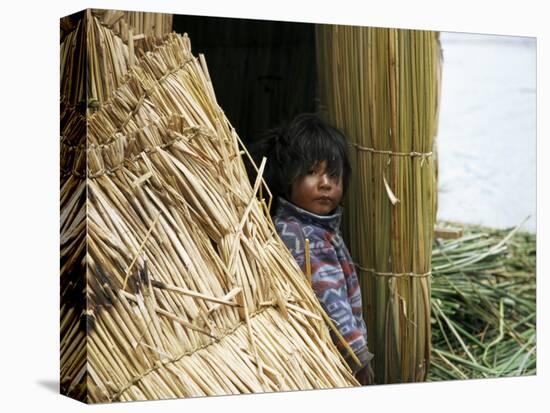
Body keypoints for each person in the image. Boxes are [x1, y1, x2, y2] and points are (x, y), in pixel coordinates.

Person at [249, 113, 374, 385]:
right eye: (311, 172)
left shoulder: (308, 226)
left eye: (333, 174)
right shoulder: (306, 236)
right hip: (332, 354)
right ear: (286, 180)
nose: (325, 183)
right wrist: (357, 357)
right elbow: (329, 297)